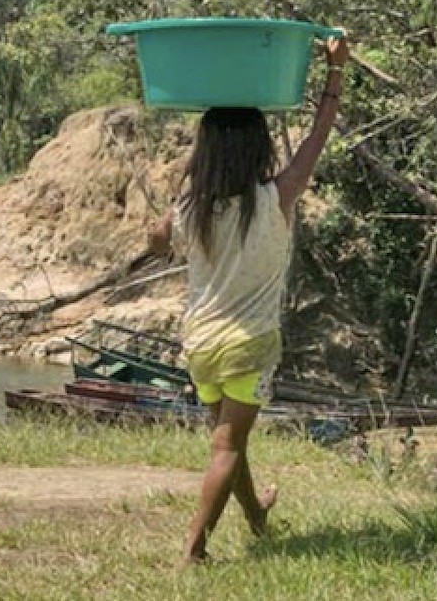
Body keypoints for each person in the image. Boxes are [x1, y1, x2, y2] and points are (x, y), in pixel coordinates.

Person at [148, 31, 350, 565]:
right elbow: (317, 139)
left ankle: (257, 512)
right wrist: (334, 75)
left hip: (200, 346)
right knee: (226, 447)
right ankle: (194, 548)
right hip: (248, 345)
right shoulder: (275, 198)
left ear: (205, 152)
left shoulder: (190, 210)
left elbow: (154, 238)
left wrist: (171, 221)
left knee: (228, 441)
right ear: (259, 149)